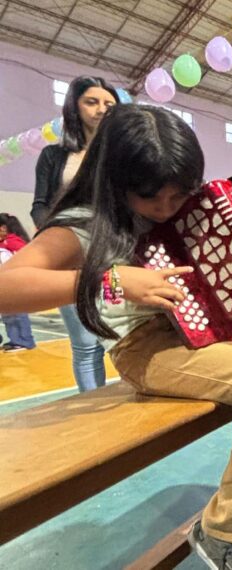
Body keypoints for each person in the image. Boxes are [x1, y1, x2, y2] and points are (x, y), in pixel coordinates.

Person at [0, 106, 232, 569]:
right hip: (147, 344)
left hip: (219, 327)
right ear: (114, 177)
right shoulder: (85, 221)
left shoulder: (198, 206)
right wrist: (114, 280)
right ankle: (225, 532)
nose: (165, 208)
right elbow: (6, 287)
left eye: (179, 195)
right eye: (149, 197)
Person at [31, 75, 118, 391]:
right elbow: (39, 206)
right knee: (85, 345)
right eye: (91, 102)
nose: (101, 109)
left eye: (108, 103)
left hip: (113, 258)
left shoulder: (119, 158)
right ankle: (94, 413)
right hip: (70, 259)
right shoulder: (53, 157)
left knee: (123, 336)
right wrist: (54, 239)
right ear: (75, 107)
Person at [0, 214, 36, 353]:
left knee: (17, 313)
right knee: (9, 314)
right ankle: (16, 339)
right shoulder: (6, 243)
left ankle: (24, 341)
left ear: (3, 228)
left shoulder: (12, 242)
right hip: (9, 282)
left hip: (16, 282)